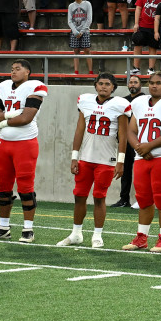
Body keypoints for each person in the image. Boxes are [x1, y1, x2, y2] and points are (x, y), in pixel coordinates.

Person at [55, 73, 132, 249]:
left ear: (113, 87)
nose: (104, 87)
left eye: (107, 84)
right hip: (86, 158)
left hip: (106, 160)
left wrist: (120, 162)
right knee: (79, 196)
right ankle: (76, 233)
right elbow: (79, 130)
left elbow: (123, 135)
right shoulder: (85, 102)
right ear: (95, 85)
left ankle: (97, 235)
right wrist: (74, 157)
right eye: (101, 83)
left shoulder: (120, 105)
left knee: (99, 197)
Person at [119, 72, 161, 253]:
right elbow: (131, 130)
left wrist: (149, 146)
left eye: (158, 83)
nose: (154, 86)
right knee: (143, 199)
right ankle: (141, 237)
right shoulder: (139, 103)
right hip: (142, 157)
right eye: (151, 83)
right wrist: (139, 148)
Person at [0, 59, 48, 243]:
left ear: (28, 72)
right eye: (12, 69)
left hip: (25, 143)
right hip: (4, 143)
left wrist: (3, 120)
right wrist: (11, 114)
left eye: (18, 69)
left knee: (25, 187)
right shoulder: (5, 87)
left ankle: (28, 229)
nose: (13, 72)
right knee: (3, 186)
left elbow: (26, 118)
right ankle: (3, 227)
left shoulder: (35, 87)